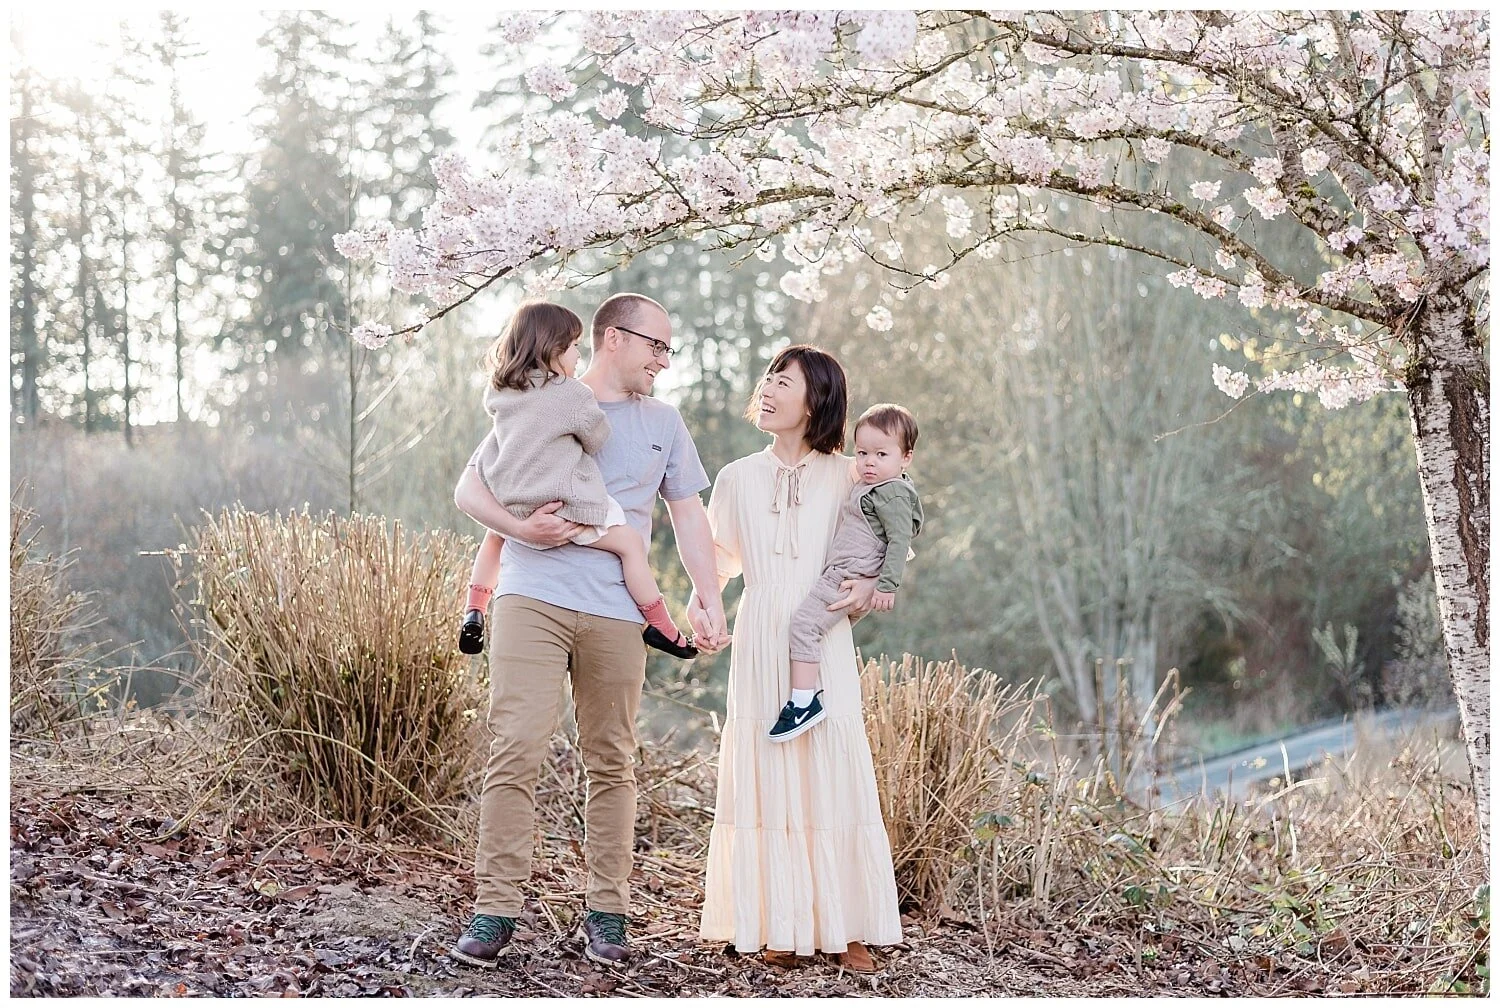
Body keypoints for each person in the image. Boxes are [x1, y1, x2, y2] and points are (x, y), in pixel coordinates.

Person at [448, 292, 728, 969]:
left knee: (612, 759)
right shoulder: (539, 397)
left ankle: (608, 910)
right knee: (515, 747)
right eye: (655, 344)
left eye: (669, 348)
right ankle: (495, 910)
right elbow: (471, 488)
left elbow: (689, 514)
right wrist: (520, 529)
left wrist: (708, 594)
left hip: (615, 612)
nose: (664, 358)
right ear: (611, 339)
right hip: (532, 596)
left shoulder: (664, 421)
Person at [687, 345, 902, 973]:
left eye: (785, 382)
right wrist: (703, 607)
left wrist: (865, 589)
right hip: (758, 635)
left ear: (817, 401)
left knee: (832, 764)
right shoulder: (734, 477)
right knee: (769, 765)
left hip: (822, 633)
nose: (769, 390)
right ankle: (777, 921)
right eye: (768, 379)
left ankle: (846, 926)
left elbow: (885, 540)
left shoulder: (848, 476)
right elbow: (719, 561)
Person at [454, 299, 696, 661]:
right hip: (564, 508)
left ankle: (475, 607)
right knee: (629, 543)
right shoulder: (572, 394)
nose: (578, 356)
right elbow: (596, 436)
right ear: (553, 350)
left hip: (515, 499)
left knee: (496, 534)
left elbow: (481, 471)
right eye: (573, 347)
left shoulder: (505, 391)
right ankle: (662, 625)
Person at [769, 403, 923, 742]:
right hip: (845, 574)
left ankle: (803, 702)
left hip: (847, 578)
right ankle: (815, 697)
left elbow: (900, 541)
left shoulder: (893, 492)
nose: (869, 462)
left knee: (804, 626)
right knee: (827, 639)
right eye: (863, 452)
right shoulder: (875, 486)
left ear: (905, 458)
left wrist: (884, 586)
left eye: (882, 454)